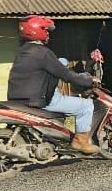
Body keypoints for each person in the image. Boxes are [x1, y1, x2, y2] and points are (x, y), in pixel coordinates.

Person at [6, 15, 100, 155]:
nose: (48, 33)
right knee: (86, 106)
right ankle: (81, 141)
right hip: (38, 100)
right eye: (46, 30)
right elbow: (66, 75)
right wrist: (88, 81)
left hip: (17, 99)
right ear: (37, 30)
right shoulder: (43, 53)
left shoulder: (23, 51)